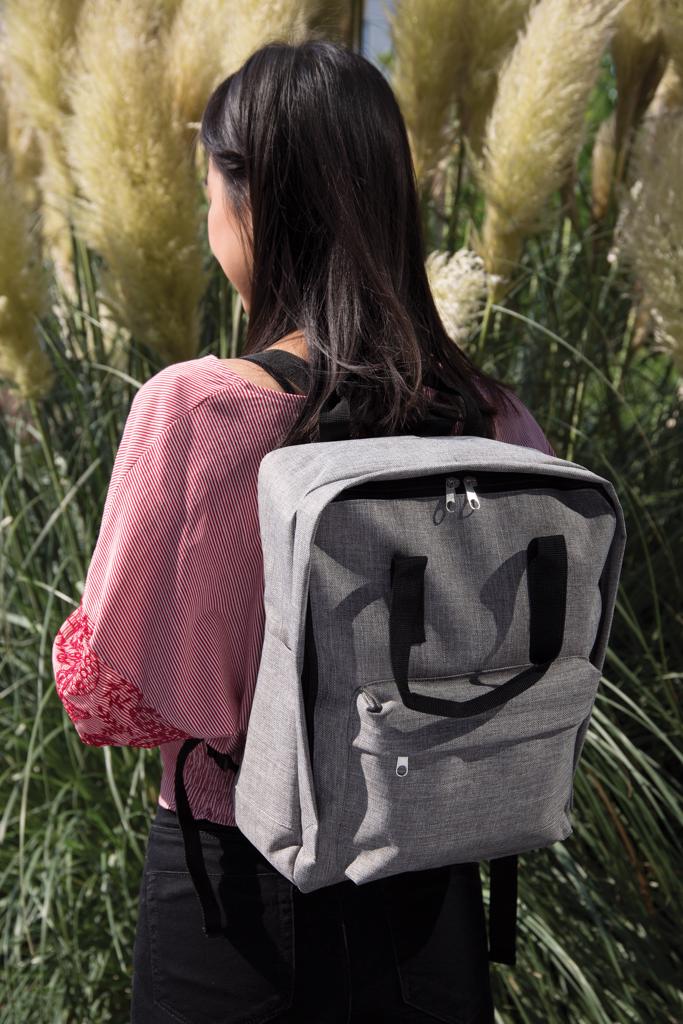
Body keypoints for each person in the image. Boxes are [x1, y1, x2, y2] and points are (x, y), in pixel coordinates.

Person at [52, 38, 557, 1024]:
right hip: (432, 896)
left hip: (241, 908)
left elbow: (107, 703)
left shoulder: (198, 411)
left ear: (253, 202)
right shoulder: (494, 420)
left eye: (211, 186)